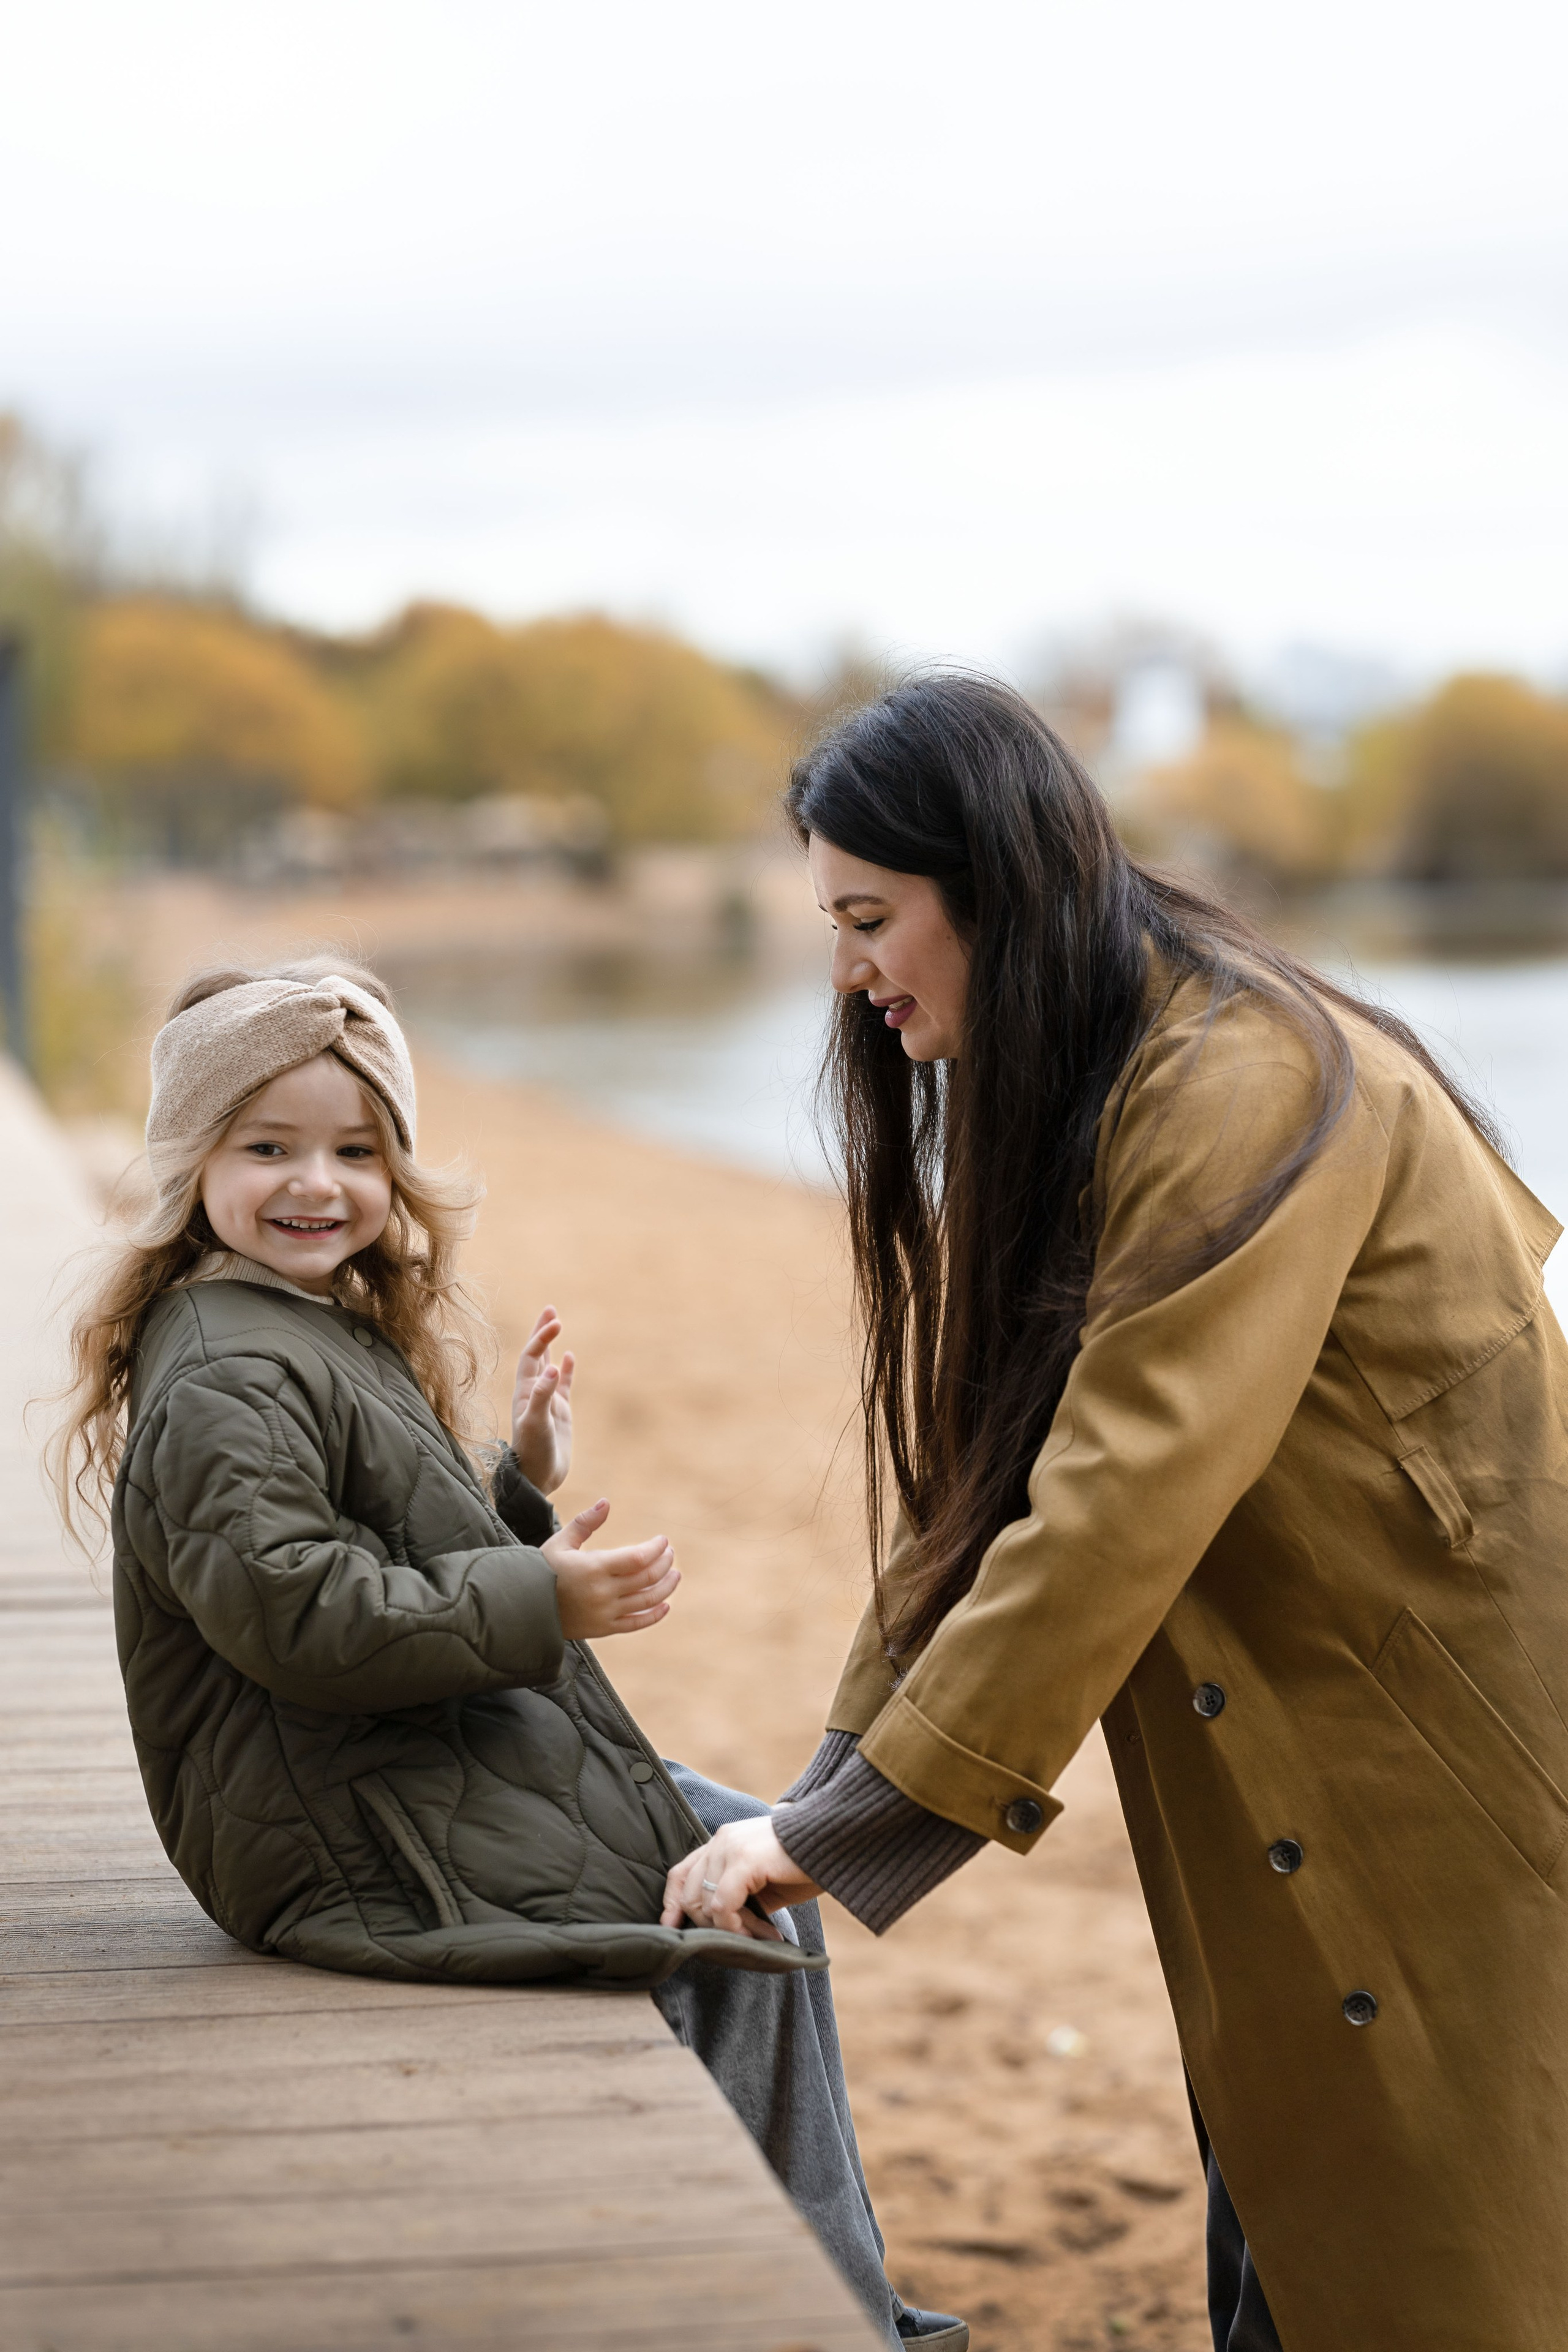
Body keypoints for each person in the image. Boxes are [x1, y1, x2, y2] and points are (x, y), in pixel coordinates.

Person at [665, 674, 1568, 2352]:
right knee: (1308, 2191)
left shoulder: (1239, 1084)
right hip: (1315, 1728)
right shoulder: (1120, 1061)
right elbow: (995, 1492)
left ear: (992, 892)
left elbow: (1112, 1497)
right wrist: (827, 1799)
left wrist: (844, 1826)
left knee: (1432, 2233)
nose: (849, 971)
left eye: (872, 917)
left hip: (1451, 1754)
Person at [53, 957, 967, 2352]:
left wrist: (515, 1486)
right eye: (269, 1148)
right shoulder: (227, 1366)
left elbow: (383, 1546)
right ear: (193, 1164)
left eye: (356, 1151)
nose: (318, 1183)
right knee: (721, 1920)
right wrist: (538, 1600)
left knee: (757, 1853)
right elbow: (298, 1614)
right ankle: (819, 2304)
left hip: (370, 1763)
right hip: (324, 1822)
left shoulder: (300, 1324)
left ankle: (829, 2276)